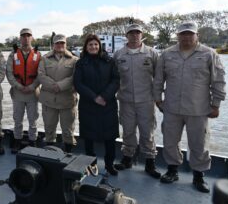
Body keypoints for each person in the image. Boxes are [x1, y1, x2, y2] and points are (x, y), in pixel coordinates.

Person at [153, 22, 226, 193]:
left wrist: (216, 104)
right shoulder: (167, 54)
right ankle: (172, 171)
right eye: (183, 34)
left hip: (198, 109)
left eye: (190, 34)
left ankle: (198, 176)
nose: (186, 37)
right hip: (171, 108)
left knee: (199, 144)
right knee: (170, 141)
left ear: (197, 35)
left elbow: (219, 81)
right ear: (177, 36)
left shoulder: (209, 54)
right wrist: (158, 100)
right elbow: (158, 79)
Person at [112, 24, 161, 178]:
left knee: (148, 133)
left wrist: (158, 98)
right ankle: (127, 158)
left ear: (142, 34)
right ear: (126, 35)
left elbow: (159, 78)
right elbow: (113, 77)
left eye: (137, 33)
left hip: (146, 100)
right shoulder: (119, 54)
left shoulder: (152, 53)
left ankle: (150, 162)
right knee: (128, 131)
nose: (134, 35)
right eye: (131, 33)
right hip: (125, 100)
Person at [73, 34, 120, 175]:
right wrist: (94, 97)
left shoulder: (109, 61)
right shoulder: (81, 63)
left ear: (99, 46)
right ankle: (91, 164)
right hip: (88, 105)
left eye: (95, 44)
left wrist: (104, 96)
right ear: (86, 47)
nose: (93, 47)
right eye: (90, 45)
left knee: (110, 137)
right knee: (89, 136)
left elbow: (116, 80)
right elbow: (78, 83)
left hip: (108, 104)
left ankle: (109, 164)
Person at [38, 34, 78, 153]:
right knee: (49, 129)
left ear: (66, 44)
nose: (60, 45)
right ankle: (51, 153)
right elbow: (40, 75)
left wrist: (60, 86)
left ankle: (68, 153)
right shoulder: (44, 59)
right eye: (57, 43)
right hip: (49, 101)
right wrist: (53, 85)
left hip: (67, 101)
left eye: (62, 43)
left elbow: (75, 77)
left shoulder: (75, 59)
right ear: (53, 45)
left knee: (68, 130)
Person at [6, 28, 41, 154]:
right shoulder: (13, 54)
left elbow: (41, 73)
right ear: (20, 38)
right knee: (17, 119)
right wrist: (18, 86)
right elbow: (9, 73)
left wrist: (32, 86)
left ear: (32, 38)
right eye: (23, 36)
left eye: (28, 35)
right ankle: (17, 141)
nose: (26, 38)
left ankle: (33, 141)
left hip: (33, 92)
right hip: (18, 91)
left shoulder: (38, 54)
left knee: (33, 120)